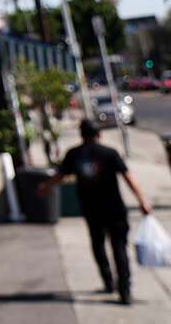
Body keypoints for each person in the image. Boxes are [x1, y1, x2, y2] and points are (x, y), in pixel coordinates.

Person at [37, 119, 154, 305]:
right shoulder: (110, 153)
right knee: (119, 247)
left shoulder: (74, 154)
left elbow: (60, 176)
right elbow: (128, 177)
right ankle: (125, 290)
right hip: (115, 208)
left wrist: (45, 188)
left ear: (81, 135)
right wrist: (143, 202)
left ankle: (108, 281)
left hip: (91, 209)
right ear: (99, 134)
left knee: (97, 243)